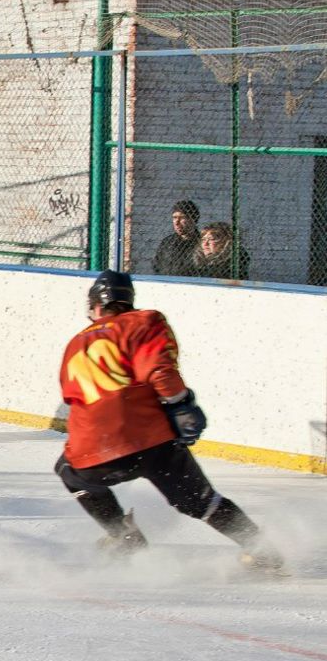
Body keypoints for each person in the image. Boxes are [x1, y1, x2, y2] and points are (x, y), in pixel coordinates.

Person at [54, 270, 284, 572]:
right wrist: (181, 405)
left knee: (69, 472)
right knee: (203, 502)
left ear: (95, 307)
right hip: (153, 441)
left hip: (95, 448)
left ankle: (123, 536)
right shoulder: (144, 321)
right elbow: (159, 369)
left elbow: (72, 396)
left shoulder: (75, 343)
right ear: (129, 301)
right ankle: (261, 550)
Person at [152, 199, 201, 277]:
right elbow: (156, 266)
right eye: (174, 218)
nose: (176, 222)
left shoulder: (202, 243)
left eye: (182, 218)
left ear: (193, 219)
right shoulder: (167, 242)